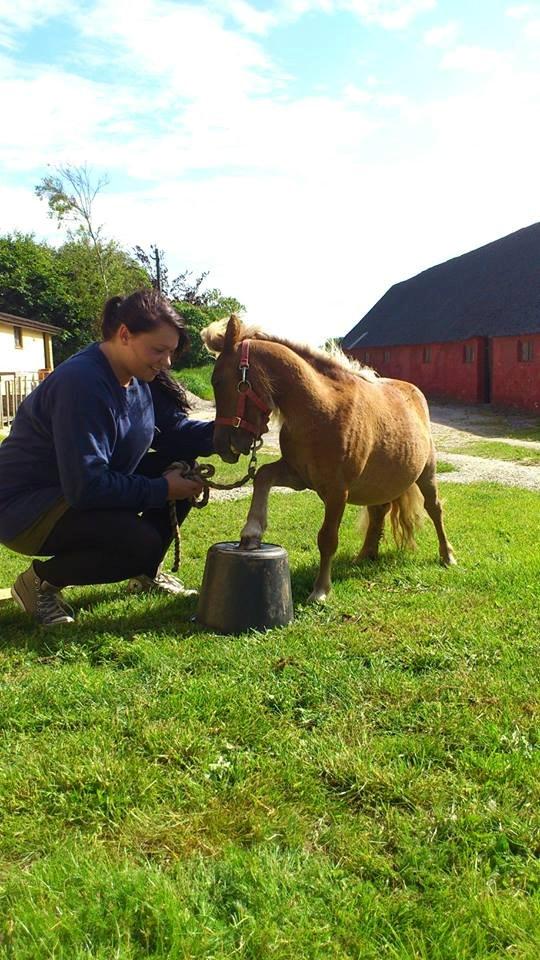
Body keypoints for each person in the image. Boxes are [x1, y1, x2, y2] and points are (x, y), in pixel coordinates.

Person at [0, 289, 214, 627]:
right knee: (139, 544)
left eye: (171, 352)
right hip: (27, 508)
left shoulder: (139, 375)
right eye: (159, 350)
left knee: (183, 467)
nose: (166, 362)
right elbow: (86, 487)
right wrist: (161, 489)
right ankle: (38, 582)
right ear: (125, 334)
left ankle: (144, 574)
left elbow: (173, 430)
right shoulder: (82, 383)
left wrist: (228, 432)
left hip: (77, 487)